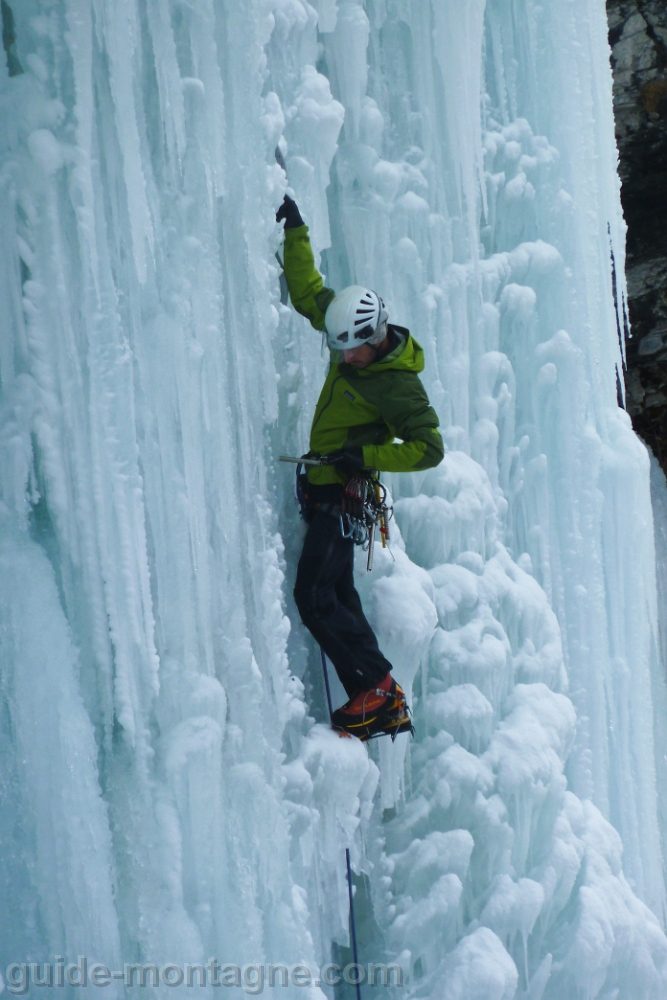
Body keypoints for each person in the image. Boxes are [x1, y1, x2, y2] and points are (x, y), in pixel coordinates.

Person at [277, 194, 444, 740]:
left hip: (345, 494)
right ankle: (380, 697)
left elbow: (428, 447)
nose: (344, 359)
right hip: (325, 488)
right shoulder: (348, 341)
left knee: (314, 595)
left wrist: (365, 457)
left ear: (376, 339)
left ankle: (375, 690)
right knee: (338, 595)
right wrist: (296, 232)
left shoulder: (398, 384)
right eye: (340, 349)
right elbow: (308, 294)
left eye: (352, 351)